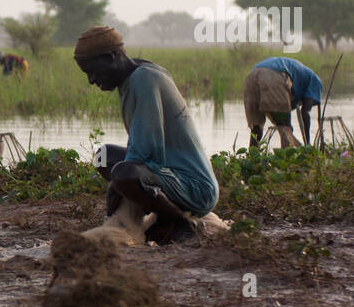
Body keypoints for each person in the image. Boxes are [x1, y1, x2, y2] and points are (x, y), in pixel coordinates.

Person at [74, 25, 219, 245]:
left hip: (196, 187)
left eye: (93, 71)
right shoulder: (134, 74)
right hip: (169, 172)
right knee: (103, 156)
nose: (92, 80)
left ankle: (180, 223)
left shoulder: (144, 79)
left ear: (112, 57)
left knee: (124, 174)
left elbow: (145, 153)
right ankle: (162, 212)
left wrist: (116, 185)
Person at [242, 56, 323, 147]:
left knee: (256, 128)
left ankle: (253, 158)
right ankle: (286, 157)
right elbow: (305, 111)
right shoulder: (315, 82)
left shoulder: (301, 75)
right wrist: (307, 142)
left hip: (252, 75)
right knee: (285, 127)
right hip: (273, 74)